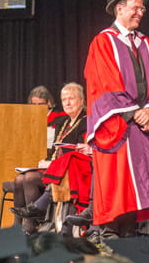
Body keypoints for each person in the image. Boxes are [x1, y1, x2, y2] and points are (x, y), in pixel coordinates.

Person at [84, 0, 149, 236]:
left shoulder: (145, 43)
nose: (140, 13)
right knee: (116, 180)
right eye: (135, 8)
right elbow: (105, 85)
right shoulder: (103, 41)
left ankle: (129, 232)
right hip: (116, 124)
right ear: (120, 9)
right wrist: (134, 114)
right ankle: (108, 233)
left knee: (136, 180)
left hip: (139, 124)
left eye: (142, 10)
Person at [12, 83, 90, 233]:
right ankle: (17, 227)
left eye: (71, 99)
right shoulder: (63, 122)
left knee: (28, 178)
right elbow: (55, 148)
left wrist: (51, 162)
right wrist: (46, 160)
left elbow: (77, 152)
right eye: (64, 99)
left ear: (81, 100)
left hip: (70, 170)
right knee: (19, 179)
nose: (67, 103)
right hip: (55, 166)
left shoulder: (86, 121)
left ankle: (30, 224)